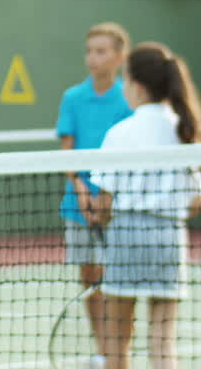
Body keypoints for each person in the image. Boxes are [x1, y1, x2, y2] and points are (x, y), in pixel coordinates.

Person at [89, 42, 201, 369]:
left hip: (126, 237)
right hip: (168, 238)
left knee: (117, 345)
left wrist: (99, 216)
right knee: (163, 343)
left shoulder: (119, 133)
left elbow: (104, 202)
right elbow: (199, 199)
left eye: (126, 80)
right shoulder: (185, 129)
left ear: (137, 86)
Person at [56, 21, 133, 367]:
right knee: (90, 280)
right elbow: (67, 151)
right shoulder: (72, 98)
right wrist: (82, 191)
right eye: (89, 51)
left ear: (119, 57)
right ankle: (103, 351)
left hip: (118, 204)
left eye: (101, 51)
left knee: (119, 283)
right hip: (78, 205)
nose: (92, 58)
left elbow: (129, 151)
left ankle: (118, 350)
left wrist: (105, 198)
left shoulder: (128, 98)